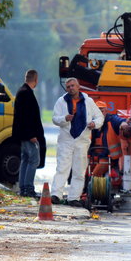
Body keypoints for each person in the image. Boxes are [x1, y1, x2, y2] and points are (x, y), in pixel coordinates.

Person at [51, 77, 104, 207]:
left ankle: (74, 197)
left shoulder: (88, 101)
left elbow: (100, 117)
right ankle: (55, 195)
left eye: (73, 86)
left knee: (79, 170)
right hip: (66, 139)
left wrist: (94, 123)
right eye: (68, 86)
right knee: (62, 167)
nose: (71, 88)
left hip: (82, 139)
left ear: (78, 86)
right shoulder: (61, 101)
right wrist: (65, 118)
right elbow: (55, 119)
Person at [11, 70, 45, 197]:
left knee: (25, 159)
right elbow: (26, 117)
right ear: (36, 80)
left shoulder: (22, 91)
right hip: (28, 135)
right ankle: (28, 188)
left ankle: (23, 187)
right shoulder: (26, 93)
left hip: (23, 134)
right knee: (33, 160)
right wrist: (31, 135)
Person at [91, 101, 127, 178]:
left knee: (94, 176)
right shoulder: (91, 122)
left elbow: (121, 121)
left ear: (106, 111)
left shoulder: (112, 119)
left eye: (101, 111)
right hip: (93, 156)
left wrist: (124, 125)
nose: (99, 113)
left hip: (109, 158)